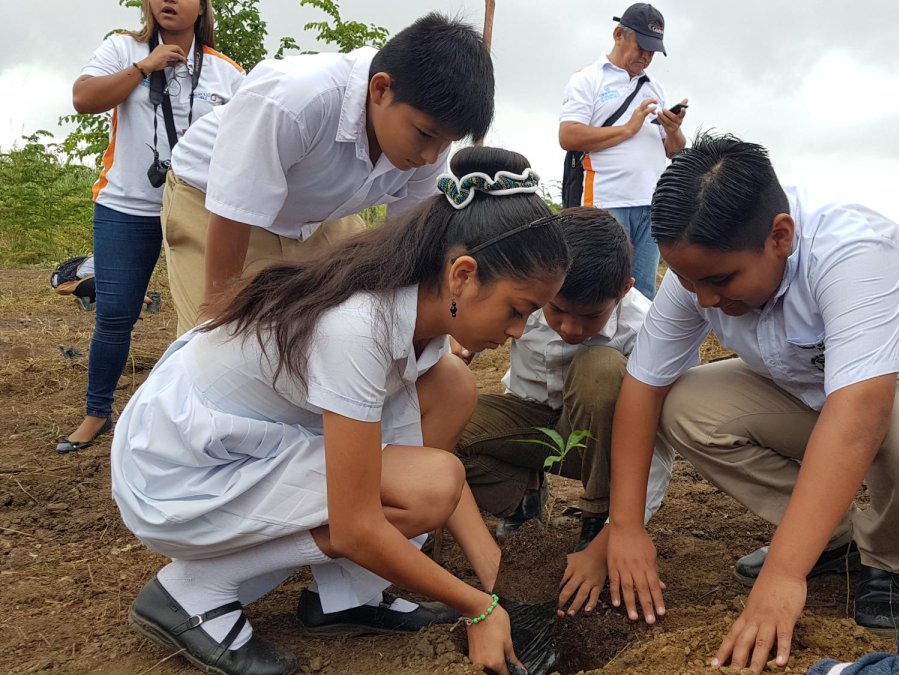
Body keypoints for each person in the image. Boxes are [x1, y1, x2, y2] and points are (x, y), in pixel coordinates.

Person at [110, 147, 565, 675]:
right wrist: (478, 607)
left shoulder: (415, 307)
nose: (516, 332)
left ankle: (350, 593)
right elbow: (361, 521)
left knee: (453, 386)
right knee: (427, 485)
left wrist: (494, 576)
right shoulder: (357, 327)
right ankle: (192, 591)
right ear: (463, 275)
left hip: (242, 440)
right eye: (519, 309)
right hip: (178, 471)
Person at [603, 134, 899, 674]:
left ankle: (894, 559)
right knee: (684, 405)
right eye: (686, 279)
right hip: (823, 392)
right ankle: (835, 540)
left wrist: (782, 573)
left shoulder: (852, 249)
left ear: (781, 236)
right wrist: (625, 527)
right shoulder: (703, 271)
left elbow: (860, 417)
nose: (702, 298)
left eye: (719, 280)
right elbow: (642, 389)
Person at [162, 12, 494, 334]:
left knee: (337, 336)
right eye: (424, 135)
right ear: (380, 90)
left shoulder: (431, 139)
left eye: (445, 143)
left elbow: (408, 245)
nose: (430, 156)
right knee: (227, 345)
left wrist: (433, 328)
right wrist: (216, 319)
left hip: (316, 215)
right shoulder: (294, 98)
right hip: (215, 202)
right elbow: (232, 212)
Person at [56, 0, 244, 454]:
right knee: (116, 312)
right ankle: (96, 414)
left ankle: (207, 412)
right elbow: (83, 99)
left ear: (201, 7)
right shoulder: (123, 49)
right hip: (126, 206)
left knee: (212, 312)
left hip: (198, 208)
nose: (168, 1)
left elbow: (248, 138)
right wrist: (145, 67)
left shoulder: (227, 73)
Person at [453, 207, 673, 554]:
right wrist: (457, 346)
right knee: (442, 427)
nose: (571, 328)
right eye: (557, 310)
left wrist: (619, 531)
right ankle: (521, 500)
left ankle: (597, 515)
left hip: (601, 445)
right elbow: (461, 321)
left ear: (624, 290)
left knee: (600, 368)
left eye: (590, 316)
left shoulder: (645, 328)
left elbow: (657, 445)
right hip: (527, 427)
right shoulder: (525, 297)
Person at [558, 2, 687, 299]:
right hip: (606, 199)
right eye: (642, 46)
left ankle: (637, 347)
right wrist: (629, 129)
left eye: (653, 51)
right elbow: (568, 135)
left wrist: (673, 129)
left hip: (650, 202)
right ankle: (594, 345)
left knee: (642, 292)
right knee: (600, 285)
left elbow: (674, 151)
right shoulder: (588, 79)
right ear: (619, 34)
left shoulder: (655, 87)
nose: (646, 57)